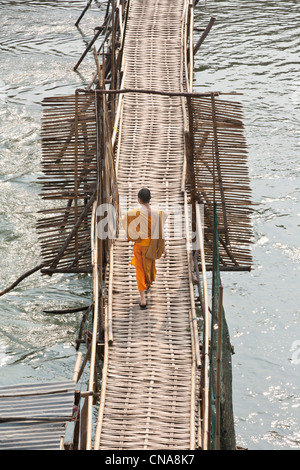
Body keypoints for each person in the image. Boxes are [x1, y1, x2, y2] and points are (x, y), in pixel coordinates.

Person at [121, 188, 167, 309]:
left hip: (139, 246)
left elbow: (124, 220)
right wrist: (163, 247)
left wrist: (133, 235)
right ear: (150, 198)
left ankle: (142, 299)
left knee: (140, 270)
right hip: (151, 246)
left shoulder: (134, 213)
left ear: (139, 200)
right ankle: (148, 283)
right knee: (150, 264)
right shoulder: (157, 214)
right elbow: (160, 233)